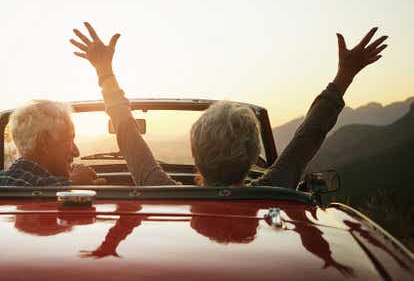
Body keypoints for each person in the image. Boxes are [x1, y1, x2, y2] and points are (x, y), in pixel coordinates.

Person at [70, 22, 388, 188]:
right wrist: (344, 75)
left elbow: (126, 132)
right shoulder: (274, 186)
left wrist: (104, 72)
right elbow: (311, 134)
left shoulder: (159, 187)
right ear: (252, 157)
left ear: (195, 152)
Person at [0, 99, 105, 186]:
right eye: (68, 140)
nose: (76, 152)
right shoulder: (25, 184)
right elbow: (29, 193)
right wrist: (73, 185)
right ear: (44, 142)